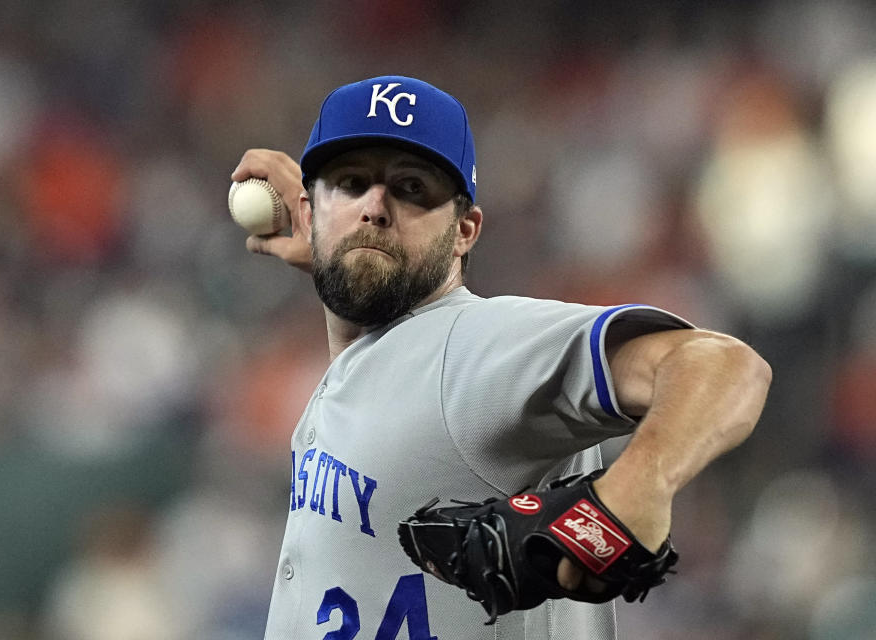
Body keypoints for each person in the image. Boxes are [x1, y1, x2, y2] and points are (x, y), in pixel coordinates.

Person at [230, 76, 771, 640]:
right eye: (351, 182)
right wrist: (340, 259)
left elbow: (722, 365)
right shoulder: (373, 355)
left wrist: (638, 486)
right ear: (308, 213)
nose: (375, 207)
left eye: (412, 188)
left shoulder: (474, 347)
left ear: (465, 231)